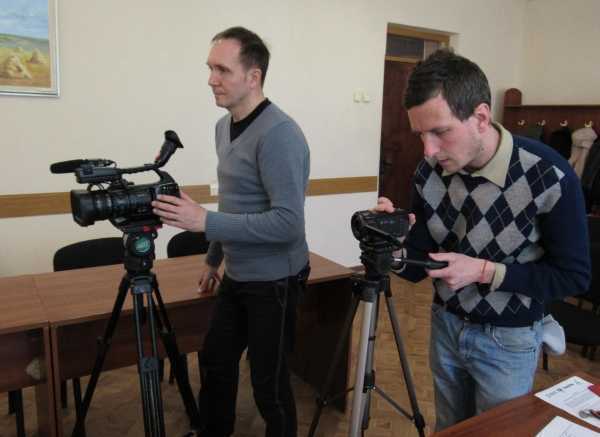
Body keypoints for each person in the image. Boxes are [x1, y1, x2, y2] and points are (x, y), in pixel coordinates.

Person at [375, 49, 591, 431]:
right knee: (450, 429)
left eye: (440, 132)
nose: (428, 150)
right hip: (445, 325)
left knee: (497, 433)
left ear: (480, 117)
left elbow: (573, 276)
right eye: (421, 134)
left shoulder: (549, 175)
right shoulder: (428, 172)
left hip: (509, 339)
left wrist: (485, 272)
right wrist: (392, 243)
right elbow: (420, 264)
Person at [152, 26, 310, 437]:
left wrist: (204, 222)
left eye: (222, 70)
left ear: (253, 77)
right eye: (210, 68)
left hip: (275, 280)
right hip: (237, 274)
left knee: (269, 385)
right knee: (215, 360)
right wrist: (213, 258)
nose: (211, 79)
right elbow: (235, 203)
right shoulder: (223, 127)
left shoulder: (280, 134)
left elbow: (288, 223)